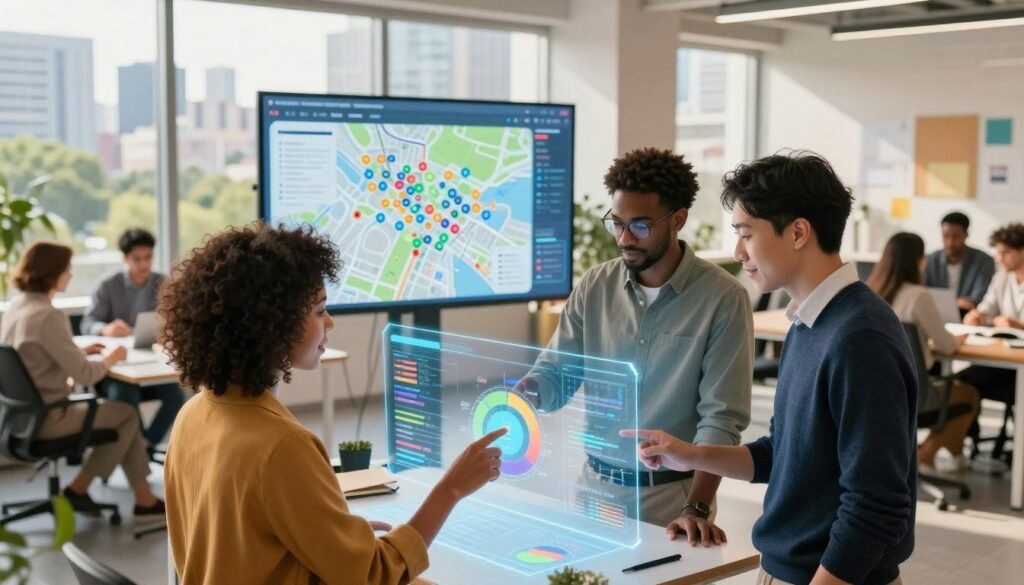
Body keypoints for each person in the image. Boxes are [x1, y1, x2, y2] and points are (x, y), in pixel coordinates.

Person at [623, 152, 916, 585]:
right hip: (785, 570)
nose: (739, 251)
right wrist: (688, 454)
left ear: (798, 232)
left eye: (746, 234)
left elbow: (877, 508)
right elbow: (784, 454)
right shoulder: (808, 321)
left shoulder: (860, 338)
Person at [162, 223, 507, 585]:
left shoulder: (192, 414)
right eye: (318, 310)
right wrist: (450, 489)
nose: (329, 322)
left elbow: (239, 546)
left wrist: (332, 538)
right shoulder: (282, 445)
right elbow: (373, 575)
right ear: (274, 323)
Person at [518, 147, 752, 546]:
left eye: (640, 226)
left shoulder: (722, 298)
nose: (625, 238)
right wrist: (527, 392)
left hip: (674, 499)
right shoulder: (594, 286)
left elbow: (721, 417)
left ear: (678, 219)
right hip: (595, 488)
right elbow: (558, 372)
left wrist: (696, 507)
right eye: (617, 224)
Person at [0, 241, 165, 520]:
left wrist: (78, 351)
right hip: (49, 418)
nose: (71, 275)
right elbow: (85, 375)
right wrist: (112, 358)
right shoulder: (49, 315)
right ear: (52, 273)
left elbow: (35, 352)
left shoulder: (17, 307)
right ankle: (80, 488)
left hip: (17, 418)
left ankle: (143, 499)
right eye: (67, 269)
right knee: (125, 415)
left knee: (120, 414)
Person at [867, 232, 977, 472]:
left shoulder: (869, 293)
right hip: (914, 395)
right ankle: (927, 454)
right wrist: (961, 337)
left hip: (874, 394)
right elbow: (946, 346)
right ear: (918, 259)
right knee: (969, 394)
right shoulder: (918, 296)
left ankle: (952, 458)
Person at [81, 228, 184, 449]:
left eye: (148, 257)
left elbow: (175, 320)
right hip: (117, 370)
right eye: (137, 259)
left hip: (150, 366)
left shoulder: (162, 282)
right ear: (125, 258)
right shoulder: (108, 285)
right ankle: (137, 449)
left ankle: (144, 445)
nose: (143, 264)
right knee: (124, 396)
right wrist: (106, 329)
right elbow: (87, 323)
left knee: (176, 396)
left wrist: (169, 332)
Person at [958, 222, 1024, 444]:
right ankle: (967, 438)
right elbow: (987, 309)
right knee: (961, 382)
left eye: (1005, 252)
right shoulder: (1002, 277)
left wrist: (1019, 327)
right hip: (1002, 359)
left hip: (1020, 365)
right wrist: (976, 316)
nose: (999, 258)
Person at [923, 212, 995, 314]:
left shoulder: (983, 261)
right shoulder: (930, 260)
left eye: (955, 237)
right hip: (935, 315)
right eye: (946, 236)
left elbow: (977, 300)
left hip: (969, 318)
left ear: (966, 235)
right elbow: (923, 295)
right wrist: (958, 302)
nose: (950, 242)